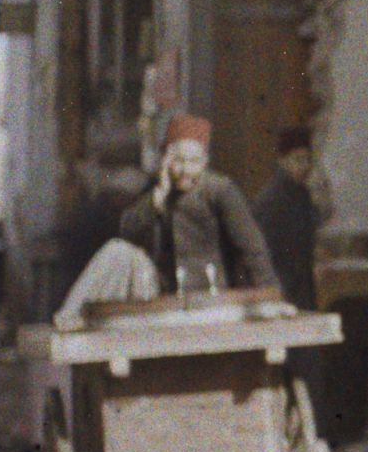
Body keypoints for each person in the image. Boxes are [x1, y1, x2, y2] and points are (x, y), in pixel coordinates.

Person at [118, 113, 278, 297]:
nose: (185, 170)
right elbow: (127, 232)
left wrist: (270, 298)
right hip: (166, 299)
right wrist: (158, 197)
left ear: (205, 161)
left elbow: (253, 250)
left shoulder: (219, 190)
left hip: (213, 299)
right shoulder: (157, 190)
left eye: (193, 161)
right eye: (178, 160)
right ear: (166, 160)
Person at [253, 125, 321, 313]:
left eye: (308, 160)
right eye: (298, 160)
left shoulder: (303, 195)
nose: (305, 166)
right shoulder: (272, 200)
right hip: (282, 286)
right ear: (283, 161)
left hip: (301, 284)